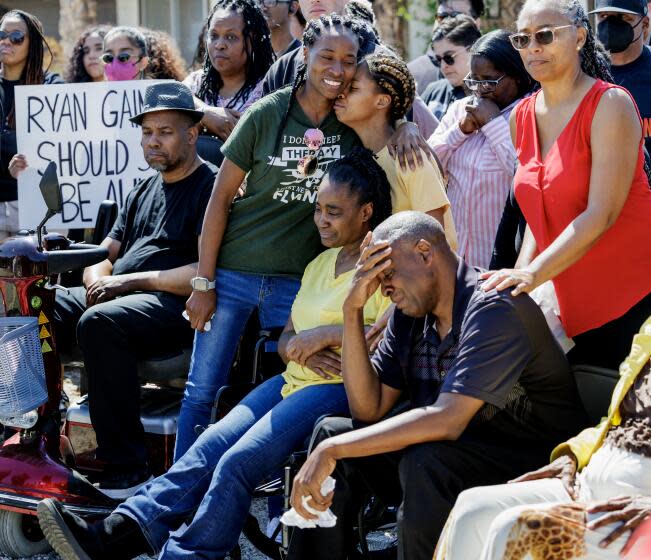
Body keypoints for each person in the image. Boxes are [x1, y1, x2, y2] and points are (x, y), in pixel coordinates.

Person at [36, 148, 394, 560]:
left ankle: (184, 556)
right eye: (318, 209)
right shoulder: (319, 263)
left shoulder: (381, 266)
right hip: (294, 378)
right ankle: (115, 533)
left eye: (334, 211)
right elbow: (288, 338)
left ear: (366, 211)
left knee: (237, 462)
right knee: (208, 446)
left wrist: (320, 337)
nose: (321, 220)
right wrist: (304, 346)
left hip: (340, 388)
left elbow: (382, 339)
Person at [286, 211, 588, 560]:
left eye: (388, 274)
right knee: (330, 431)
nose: (383, 289)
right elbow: (368, 409)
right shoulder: (409, 314)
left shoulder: (493, 306)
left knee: (422, 461)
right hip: (456, 454)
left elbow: (448, 419)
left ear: (425, 252)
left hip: (533, 463)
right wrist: (352, 308)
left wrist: (333, 450)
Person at [175, 13, 377, 460]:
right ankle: (179, 494)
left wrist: (406, 128)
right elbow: (219, 201)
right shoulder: (267, 113)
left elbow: (392, 116)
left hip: (298, 280)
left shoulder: (351, 124)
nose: (338, 70)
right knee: (201, 390)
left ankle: (277, 492)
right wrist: (203, 282)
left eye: (349, 60)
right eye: (327, 56)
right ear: (304, 56)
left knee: (299, 378)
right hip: (233, 273)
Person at [49, 83, 216, 497]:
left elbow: (203, 272)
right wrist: (94, 280)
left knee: (101, 322)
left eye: (165, 131)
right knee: (36, 304)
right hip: (122, 296)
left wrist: (125, 282)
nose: (152, 141)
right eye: (146, 133)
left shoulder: (211, 188)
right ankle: (42, 437)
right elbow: (104, 252)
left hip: (174, 305)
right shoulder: (142, 188)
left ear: (192, 134)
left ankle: (127, 469)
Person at [483, 0, 651, 370]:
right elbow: (537, 214)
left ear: (578, 38)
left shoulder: (610, 104)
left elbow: (601, 214)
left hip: (634, 303)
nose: (533, 47)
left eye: (544, 35)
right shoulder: (522, 117)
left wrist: (532, 273)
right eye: (522, 39)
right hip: (573, 312)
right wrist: (519, 282)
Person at [434, 317, 651, 560]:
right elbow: (616, 421)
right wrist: (572, 455)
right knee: (472, 508)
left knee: (516, 529)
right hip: (592, 483)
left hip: (640, 512)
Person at [429, 30, 537, 269]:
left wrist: (493, 124)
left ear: (517, 76)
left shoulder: (531, 114)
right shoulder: (460, 109)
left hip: (499, 262)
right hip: (454, 261)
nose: (479, 89)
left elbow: (522, 176)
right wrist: (459, 131)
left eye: (488, 81)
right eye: (474, 80)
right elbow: (428, 165)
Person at [334, 51, 457, 246]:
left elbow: (434, 239)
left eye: (354, 88)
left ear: (382, 101)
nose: (341, 93)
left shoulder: (411, 156)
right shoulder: (357, 154)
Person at [0, 9, 63, 240]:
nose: (5, 41)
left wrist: (31, 166)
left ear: (32, 44)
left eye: (16, 37)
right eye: (1, 34)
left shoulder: (52, 88)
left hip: (35, 206)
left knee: (36, 277)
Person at [184, 0, 275, 141]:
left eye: (231, 37)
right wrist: (205, 113)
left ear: (253, 40)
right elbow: (170, 96)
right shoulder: (197, 82)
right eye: (213, 36)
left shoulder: (269, 86)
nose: (219, 45)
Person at [591, 0, 651, 157]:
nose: (611, 25)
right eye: (604, 16)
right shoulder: (584, 73)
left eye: (623, 17)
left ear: (644, 23)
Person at [408, 0, 484, 95]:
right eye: (442, 16)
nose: (448, 22)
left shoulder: (493, 81)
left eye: (457, 16)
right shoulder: (412, 74)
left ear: (476, 22)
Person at [421, 15, 481, 121]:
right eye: (438, 59)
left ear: (473, 49)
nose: (443, 66)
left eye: (449, 57)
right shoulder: (433, 91)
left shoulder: (488, 96)